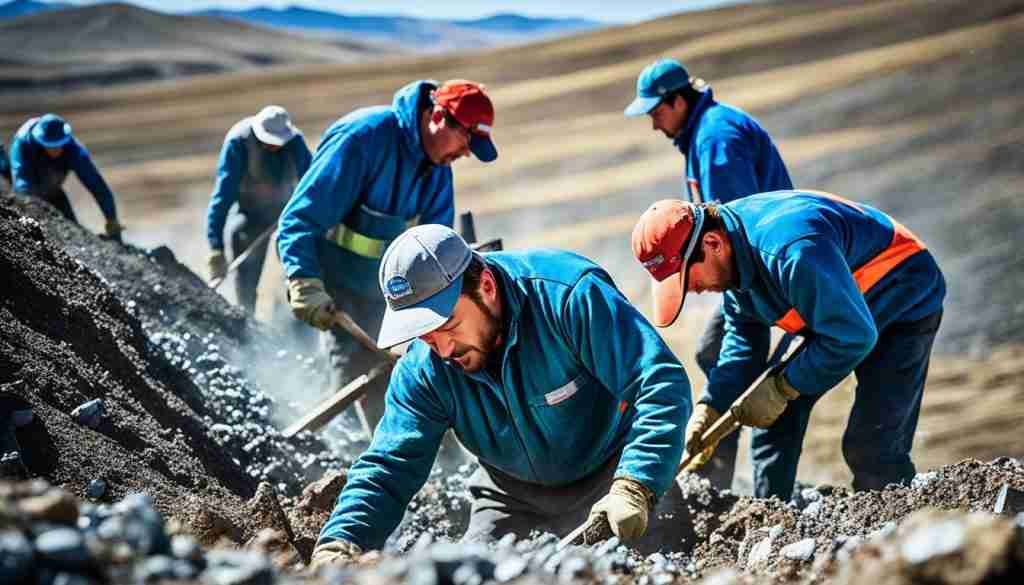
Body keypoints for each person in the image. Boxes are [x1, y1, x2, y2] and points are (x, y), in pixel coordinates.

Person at [309, 224, 693, 565]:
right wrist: (341, 541)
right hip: (510, 499)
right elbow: (389, 466)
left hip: (611, 479)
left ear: (487, 287)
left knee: (665, 566)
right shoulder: (424, 368)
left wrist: (636, 482)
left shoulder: (568, 295)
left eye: (448, 325)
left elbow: (659, 383)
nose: (443, 350)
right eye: (425, 335)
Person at [631, 191, 945, 500]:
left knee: (871, 446)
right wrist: (711, 407)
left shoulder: (790, 252)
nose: (694, 291)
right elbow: (743, 339)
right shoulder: (730, 251)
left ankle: (904, 534)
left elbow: (853, 337)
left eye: (687, 280)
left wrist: (783, 387)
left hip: (903, 294)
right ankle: (770, 519)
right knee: (774, 419)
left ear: (712, 244)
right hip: (833, 303)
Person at [277, 79, 498, 416]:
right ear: (439, 116)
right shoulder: (363, 139)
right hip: (337, 291)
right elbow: (299, 219)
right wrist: (303, 281)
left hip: (388, 299)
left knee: (405, 382)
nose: (466, 153)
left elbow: (437, 253)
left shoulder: (438, 170)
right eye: (468, 141)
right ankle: (340, 453)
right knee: (352, 381)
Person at [625, 57, 793, 489]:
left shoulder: (716, 140)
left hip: (765, 272)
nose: (653, 124)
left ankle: (715, 475)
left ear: (678, 101)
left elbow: (731, 232)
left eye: (656, 112)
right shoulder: (701, 136)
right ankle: (712, 462)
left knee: (728, 358)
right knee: (716, 354)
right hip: (754, 270)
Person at [206, 106, 312, 313]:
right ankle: (246, 319)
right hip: (251, 213)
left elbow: (312, 182)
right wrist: (216, 248)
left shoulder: (295, 142)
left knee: (298, 267)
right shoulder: (238, 143)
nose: (273, 147)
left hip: (287, 213)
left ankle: (294, 320)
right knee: (247, 271)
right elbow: (222, 197)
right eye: (268, 143)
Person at [9, 114, 123, 241]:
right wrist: (29, 211)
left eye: (59, 145)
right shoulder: (23, 145)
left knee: (73, 231)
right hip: (31, 186)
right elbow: (22, 184)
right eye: (50, 146)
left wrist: (112, 220)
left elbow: (96, 184)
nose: (55, 150)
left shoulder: (73, 150)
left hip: (54, 191)